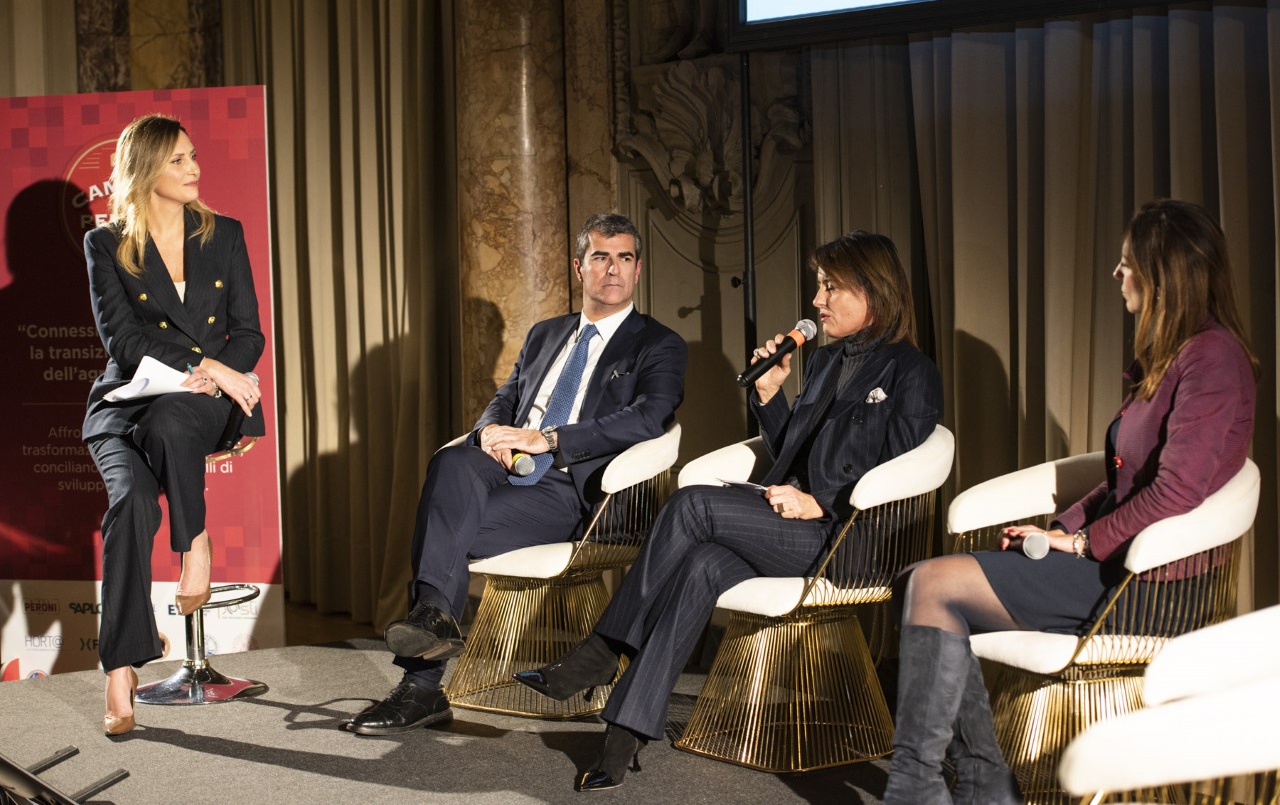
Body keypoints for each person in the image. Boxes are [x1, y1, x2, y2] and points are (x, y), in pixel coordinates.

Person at [515, 231, 943, 791]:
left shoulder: (911, 372)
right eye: (819, 286)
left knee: (692, 505)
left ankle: (602, 650)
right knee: (702, 566)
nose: (817, 301)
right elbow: (794, 451)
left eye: (830, 287)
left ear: (874, 291)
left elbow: (903, 477)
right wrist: (769, 394)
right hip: (784, 524)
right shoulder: (825, 360)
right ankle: (625, 733)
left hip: (843, 537)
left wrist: (822, 501)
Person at [882, 199, 1260, 804]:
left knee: (931, 585)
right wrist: (1060, 529)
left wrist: (1083, 543)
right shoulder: (1168, 359)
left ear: (1163, 276)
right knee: (912, 583)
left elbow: (1177, 491)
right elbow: (1120, 482)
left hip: (1151, 589)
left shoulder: (1212, 359)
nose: (1117, 274)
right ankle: (983, 781)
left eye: (1127, 262)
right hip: (1111, 567)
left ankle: (918, 788)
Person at [345, 213, 688, 736]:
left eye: (623, 258)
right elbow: (505, 398)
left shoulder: (657, 344)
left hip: (570, 489)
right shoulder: (545, 333)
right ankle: (432, 636)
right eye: (600, 257)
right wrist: (488, 433)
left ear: (638, 270)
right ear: (580, 267)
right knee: (452, 461)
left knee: (442, 526)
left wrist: (547, 439)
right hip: (504, 471)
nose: (612, 269)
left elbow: (649, 418)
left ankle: (421, 685)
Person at [84, 114, 265, 736]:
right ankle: (121, 665)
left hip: (206, 403)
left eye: (193, 156)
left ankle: (192, 545)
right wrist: (205, 362)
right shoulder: (106, 245)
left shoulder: (225, 234)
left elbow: (249, 332)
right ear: (145, 172)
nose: (194, 169)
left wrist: (215, 377)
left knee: (172, 419)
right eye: (179, 161)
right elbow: (125, 342)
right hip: (124, 404)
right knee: (131, 502)